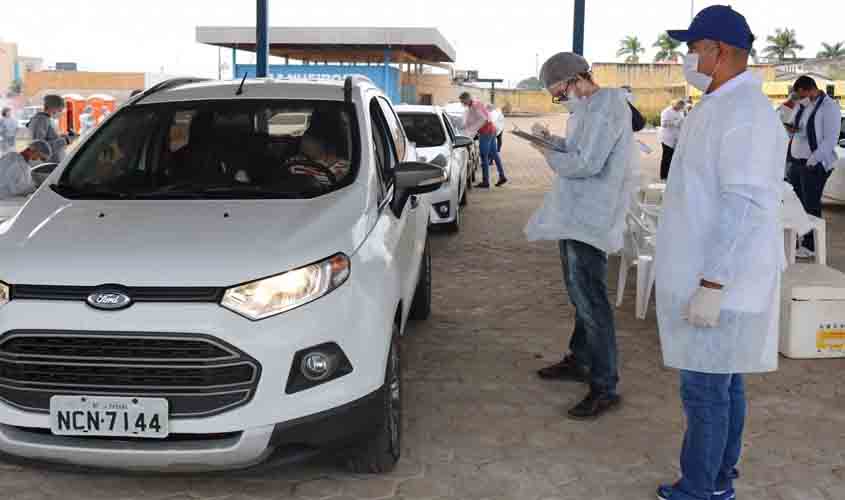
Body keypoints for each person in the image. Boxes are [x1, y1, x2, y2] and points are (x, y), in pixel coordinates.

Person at [655, 6, 787, 500]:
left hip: (722, 280)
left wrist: (712, 284)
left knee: (706, 391)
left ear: (721, 51)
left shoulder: (745, 114)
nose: (689, 57)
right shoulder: (719, 106)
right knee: (724, 385)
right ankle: (718, 477)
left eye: (695, 48)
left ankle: (699, 488)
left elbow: (744, 205)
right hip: (714, 275)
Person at [528, 52, 638, 420]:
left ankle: (605, 385)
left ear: (578, 79)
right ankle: (581, 358)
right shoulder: (587, 110)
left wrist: (547, 153)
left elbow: (587, 164)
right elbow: (577, 152)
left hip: (592, 217)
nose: (562, 100)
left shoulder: (608, 108)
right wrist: (551, 141)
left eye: (561, 93)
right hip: (576, 214)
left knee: (592, 300)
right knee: (579, 293)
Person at [786, 75, 841, 259]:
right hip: (795, 161)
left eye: (801, 94)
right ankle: (798, 240)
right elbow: (793, 123)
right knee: (796, 205)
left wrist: (811, 162)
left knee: (810, 205)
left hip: (814, 164)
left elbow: (829, 140)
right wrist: (792, 128)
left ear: (810, 89)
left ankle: (811, 245)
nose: (799, 98)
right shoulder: (803, 105)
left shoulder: (829, 107)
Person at [460, 92, 507, 188]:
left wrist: (472, 131)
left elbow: (483, 119)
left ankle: (486, 182)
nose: (462, 103)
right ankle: (502, 176)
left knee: (483, 156)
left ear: (467, 99)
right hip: (491, 130)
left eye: (463, 101)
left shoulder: (474, 106)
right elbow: (472, 119)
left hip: (486, 132)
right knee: (494, 154)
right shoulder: (475, 104)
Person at [27, 94, 74, 163]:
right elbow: (39, 147)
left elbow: (49, 139)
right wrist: (65, 140)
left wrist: (63, 137)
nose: (61, 112)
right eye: (60, 109)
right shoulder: (41, 120)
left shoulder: (47, 119)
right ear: (53, 107)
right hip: (48, 165)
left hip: (54, 163)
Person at [659, 100, 686, 180]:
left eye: (682, 108)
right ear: (676, 104)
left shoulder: (680, 112)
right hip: (667, 138)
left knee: (673, 158)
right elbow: (663, 124)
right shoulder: (666, 112)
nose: (681, 109)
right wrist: (675, 123)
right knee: (666, 157)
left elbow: (681, 121)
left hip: (676, 138)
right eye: (680, 107)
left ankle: (671, 175)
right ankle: (664, 175)